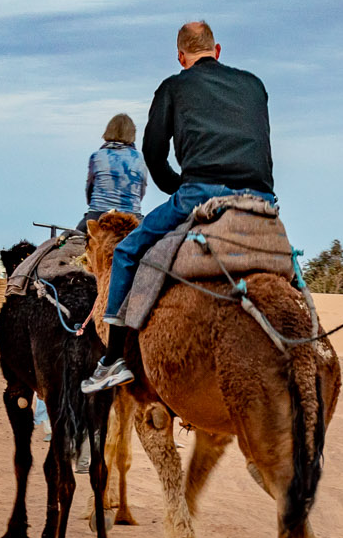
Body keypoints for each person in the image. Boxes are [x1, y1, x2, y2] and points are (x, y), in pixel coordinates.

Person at [82, 20, 275, 392]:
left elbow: (154, 154)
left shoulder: (173, 87)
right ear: (217, 51)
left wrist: (180, 187)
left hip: (200, 195)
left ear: (181, 57)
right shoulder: (254, 85)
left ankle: (113, 360)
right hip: (260, 200)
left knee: (125, 253)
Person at [83, 113, 148, 223]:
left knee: (73, 237)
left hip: (98, 215)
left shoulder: (97, 156)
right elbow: (141, 191)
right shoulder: (139, 158)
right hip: (132, 217)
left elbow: (89, 189)